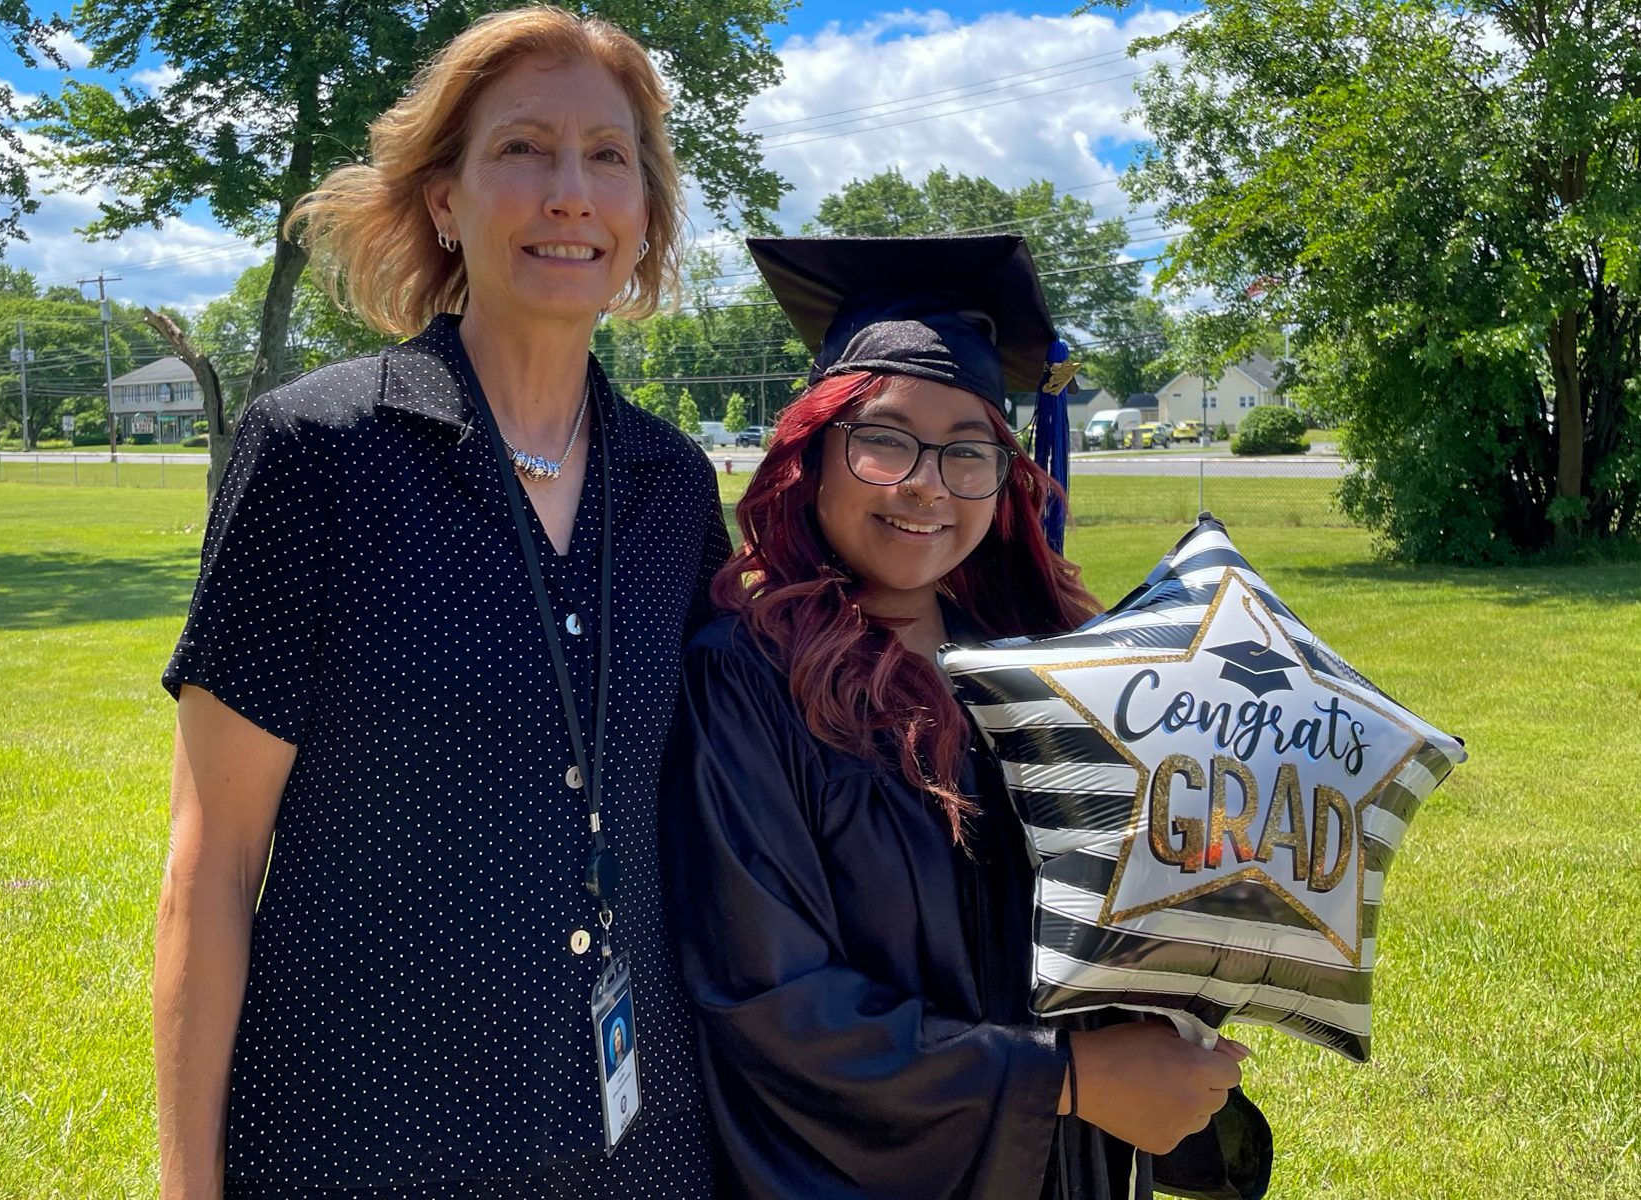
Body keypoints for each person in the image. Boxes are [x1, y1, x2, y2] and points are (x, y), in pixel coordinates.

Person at [154, 9, 728, 1197]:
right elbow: (210, 868)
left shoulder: (676, 488)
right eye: (521, 148)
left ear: (642, 215)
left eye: (608, 156)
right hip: (362, 1137)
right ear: (444, 201)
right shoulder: (313, 454)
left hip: (642, 1141)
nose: (570, 192)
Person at [660, 235, 1273, 1200]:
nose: (925, 484)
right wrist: (1066, 1081)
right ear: (813, 455)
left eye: (967, 452)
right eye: (884, 439)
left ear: (1006, 477)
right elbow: (769, 1003)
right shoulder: (748, 680)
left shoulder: (1050, 663)